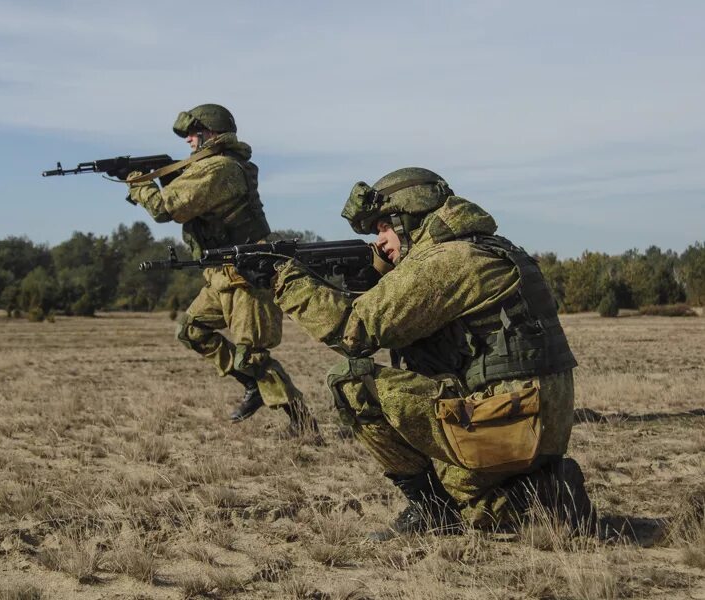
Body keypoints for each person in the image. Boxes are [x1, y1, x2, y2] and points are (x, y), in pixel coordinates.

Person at [237, 167, 593, 535]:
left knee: (353, 382)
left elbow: (353, 331)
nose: (380, 243)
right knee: (468, 496)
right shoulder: (493, 248)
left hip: (511, 420)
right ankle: (538, 487)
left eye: (382, 228)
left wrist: (284, 278)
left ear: (407, 215)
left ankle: (442, 509)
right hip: (535, 418)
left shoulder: (446, 260)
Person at [124, 103, 318, 436]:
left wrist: (137, 183)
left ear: (212, 135)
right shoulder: (206, 167)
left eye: (193, 135)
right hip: (222, 274)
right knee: (191, 330)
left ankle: (303, 425)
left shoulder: (221, 168)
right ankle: (253, 386)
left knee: (253, 356)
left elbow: (165, 207)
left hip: (247, 275)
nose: (188, 141)